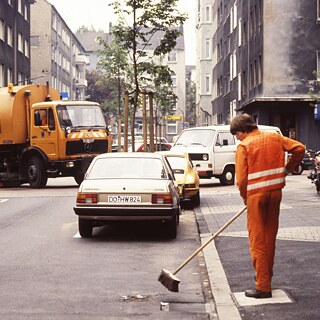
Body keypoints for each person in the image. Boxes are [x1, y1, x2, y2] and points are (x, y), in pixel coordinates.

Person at [230, 113, 305, 299]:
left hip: (256, 197)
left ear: (243, 131)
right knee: (269, 237)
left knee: (258, 239)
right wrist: (288, 169)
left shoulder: (244, 146)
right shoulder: (274, 137)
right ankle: (266, 279)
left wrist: (245, 199)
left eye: (237, 134)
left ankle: (263, 286)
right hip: (275, 193)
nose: (237, 138)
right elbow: (299, 148)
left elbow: (241, 180)